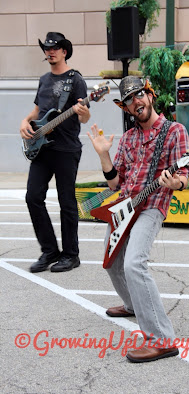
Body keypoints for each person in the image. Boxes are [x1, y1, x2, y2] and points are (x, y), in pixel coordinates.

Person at [87, 76, 189, 363]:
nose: (136, 102)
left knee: (134, 263)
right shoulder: (130, 137)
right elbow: (114, 183)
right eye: (129, 100)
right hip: (124, 205)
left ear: (150, 95)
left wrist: (174, 184)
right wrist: (104, 155)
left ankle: (162, 340)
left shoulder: (174, 131)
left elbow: (183, 176)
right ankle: (134, 304)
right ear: (126, 107)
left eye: (139, 95)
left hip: (152, 205)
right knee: (112, 263)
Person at [20, 32, 90, 273]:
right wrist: (24, 122)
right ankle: (50, 251)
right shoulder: (44, 79)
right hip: (42, 147)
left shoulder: (75, 79)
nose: (50, 52)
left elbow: (85, 115)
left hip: (66, 149)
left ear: (64, 51)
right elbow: (38, 110)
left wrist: (81, 111)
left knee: (66, 202)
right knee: (32, 197)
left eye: (55, 48)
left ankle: (71, 255)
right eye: (47, 48)